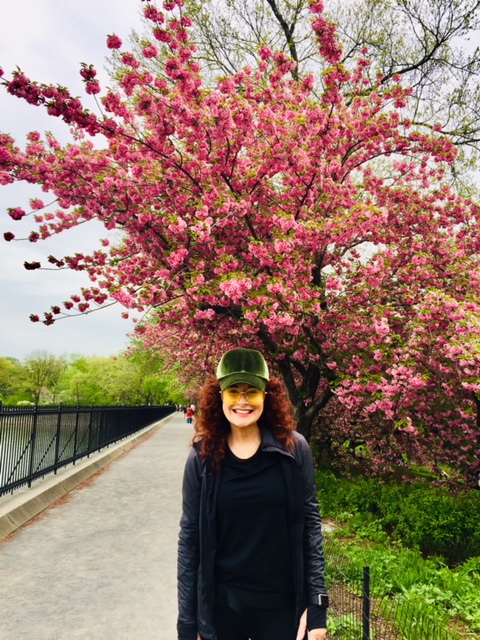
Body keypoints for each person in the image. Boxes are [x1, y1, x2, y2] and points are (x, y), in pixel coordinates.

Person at [177, 348, 328, 640]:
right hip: (222, 608)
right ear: (220, 396)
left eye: (252, 392)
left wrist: (317, 609)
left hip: (281, 608)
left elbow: (311, 528)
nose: (243, 401)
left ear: (266, 396)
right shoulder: (202, 459)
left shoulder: (293, 451)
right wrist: (187, 625)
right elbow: (190, 541)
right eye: (234, 391)